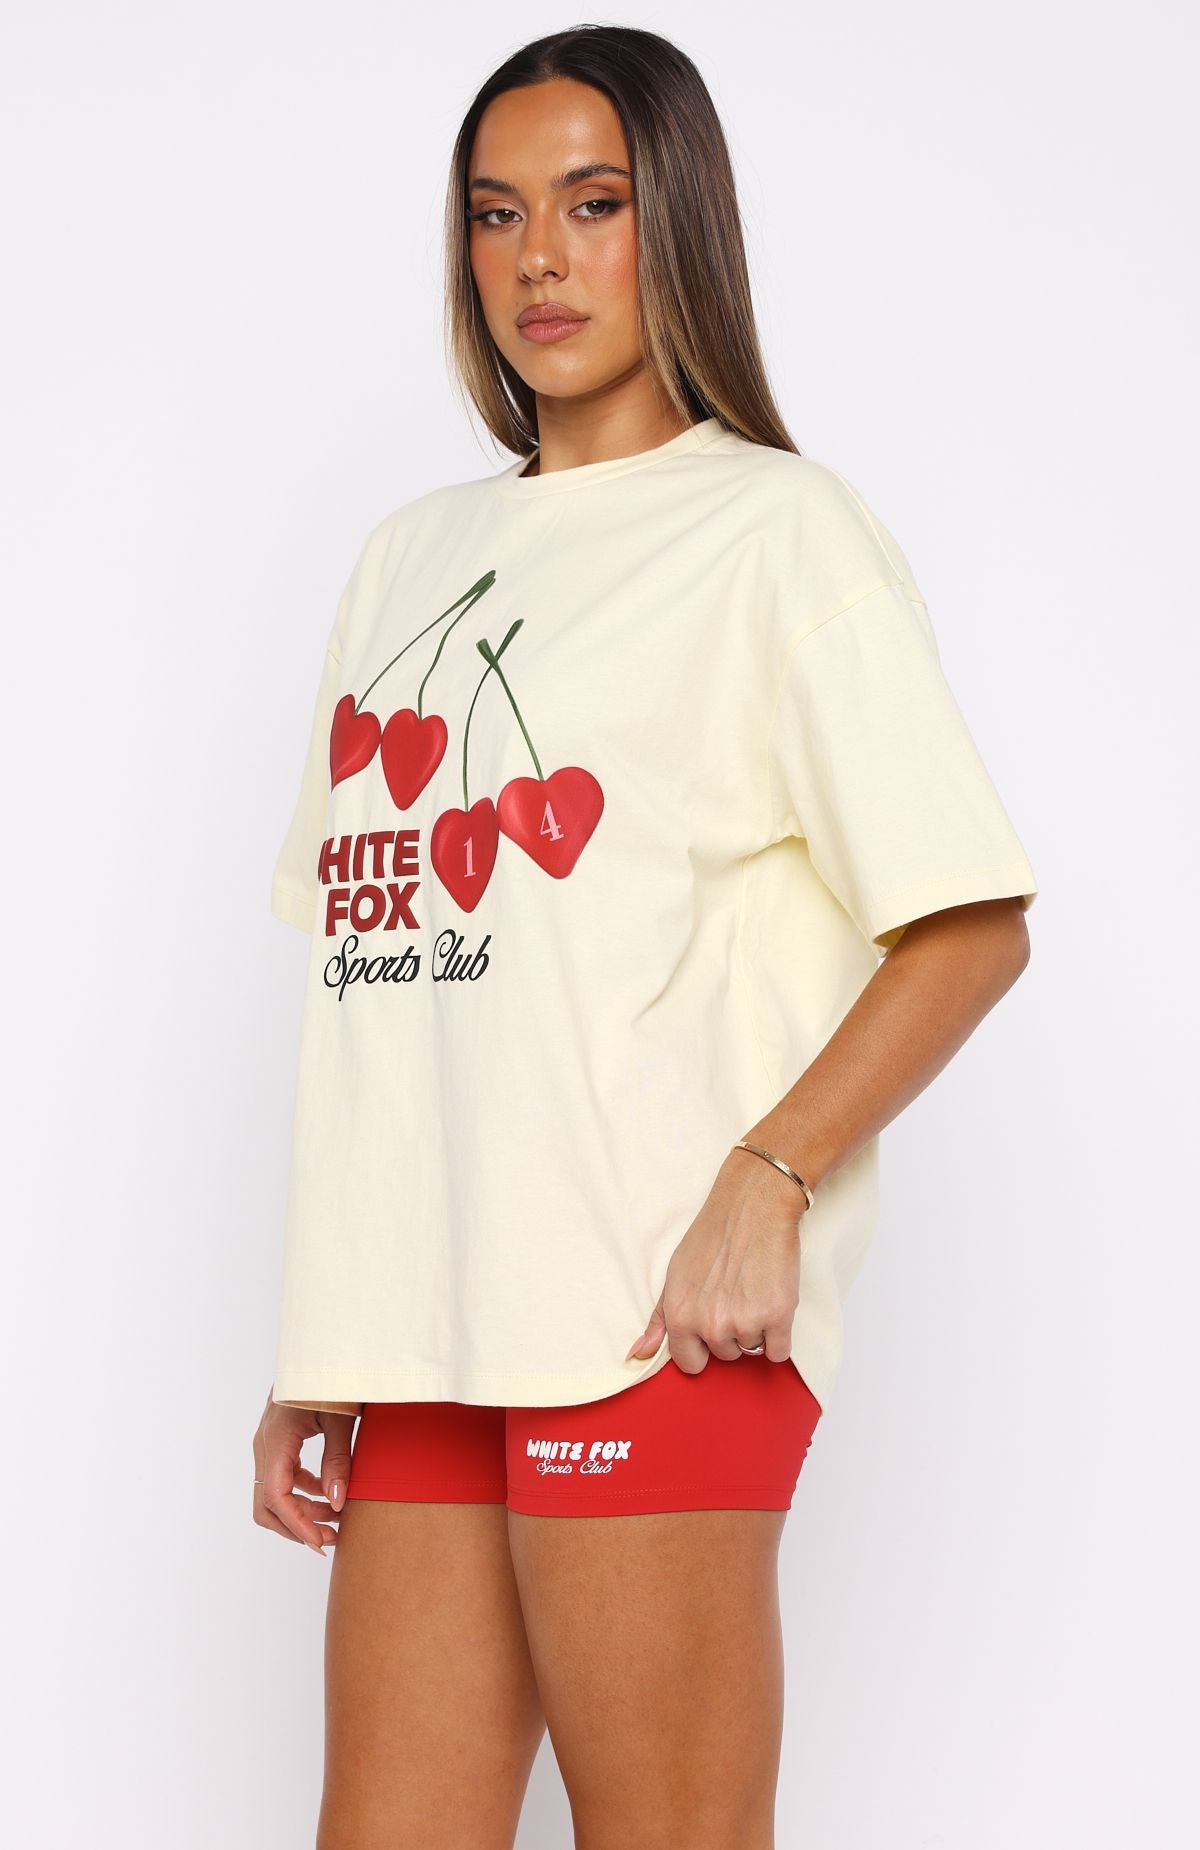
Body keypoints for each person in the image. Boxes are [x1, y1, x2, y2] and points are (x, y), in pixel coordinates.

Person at [251, 24, 1039, 1850]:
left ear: (674, 221)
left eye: (592, 205)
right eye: (496, 214)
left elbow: (970, 922)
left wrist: (771, 1173)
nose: (539, 258)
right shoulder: (405, 561)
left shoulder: (780, 532)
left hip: (647, 1326)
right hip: (429, 1341)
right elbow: (386, 989)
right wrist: (325, 1335)